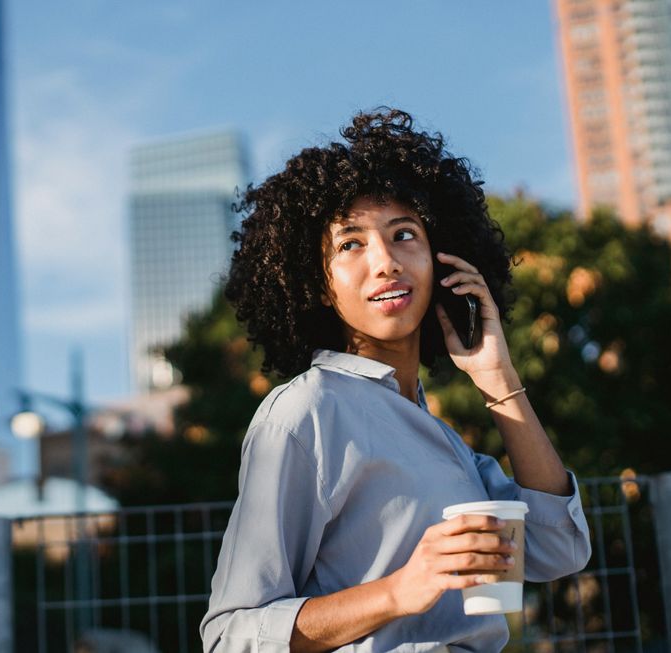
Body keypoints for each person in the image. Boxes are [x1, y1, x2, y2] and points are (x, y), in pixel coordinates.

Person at [200, 109, 591, 652]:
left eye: (403, 233)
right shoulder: (307, 410)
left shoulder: (444, 441)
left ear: (440, 260)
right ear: (317, 285)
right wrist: (400, 590)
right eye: (351, 244)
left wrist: (497, 377)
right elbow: (230, 636)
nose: (385, 261)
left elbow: (558, 546)